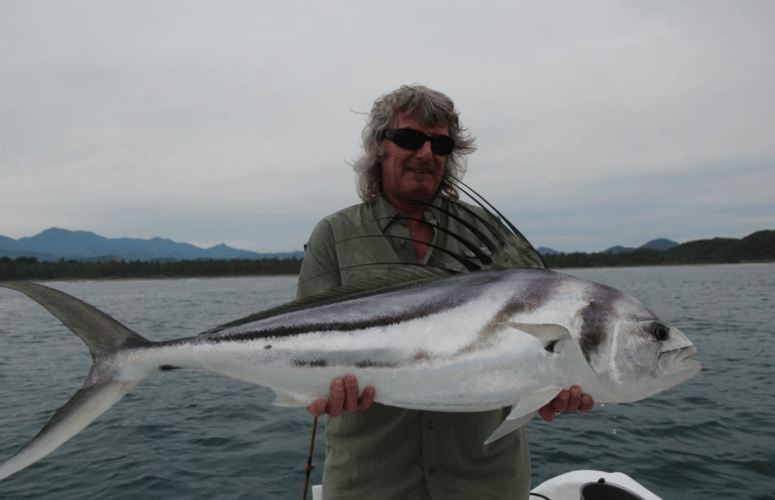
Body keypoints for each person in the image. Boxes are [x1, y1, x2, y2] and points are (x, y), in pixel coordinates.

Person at [297, 85, 593, 500]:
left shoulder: (491, 237)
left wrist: (550, 390)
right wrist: (318, 392)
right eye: (409, 139)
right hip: (371, 482)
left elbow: (528, 346)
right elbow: (306, 348)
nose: (425, 153)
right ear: (379, 147)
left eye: (440, 143)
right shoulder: (334, 234)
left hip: (485, 482)